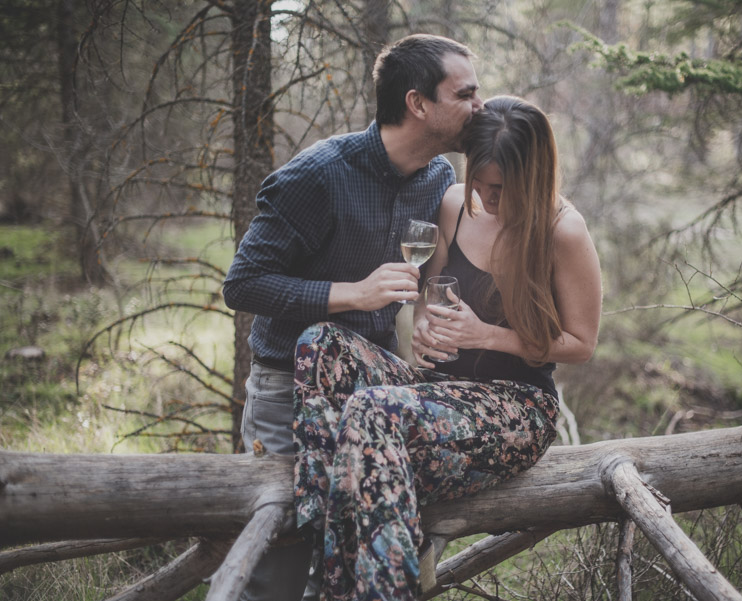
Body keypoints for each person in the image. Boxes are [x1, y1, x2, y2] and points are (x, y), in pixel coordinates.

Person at [291, 95, 603, 600]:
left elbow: (582, 344)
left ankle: (365, 584)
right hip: (439, 391)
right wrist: (422, 329)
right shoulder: (457, 204)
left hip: (516, 407)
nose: (485, 195)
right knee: (320, 343)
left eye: (499, 187)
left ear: (535, 173)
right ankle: (340, 539)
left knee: (372, 412)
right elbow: (433, 298)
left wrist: (486, 335)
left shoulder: (563, 231)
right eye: (478, 180)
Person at [222, 34, 483, 601]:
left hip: (373, 391)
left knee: (347, 558)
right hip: (287, 390)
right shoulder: (317, 175)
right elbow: (241, 284)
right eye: (466, 94)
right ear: (418, 103)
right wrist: (352, 293)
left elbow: (419, 282)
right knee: (277, 574)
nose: (479, 106)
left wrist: (432, 319)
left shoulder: (438, 179)